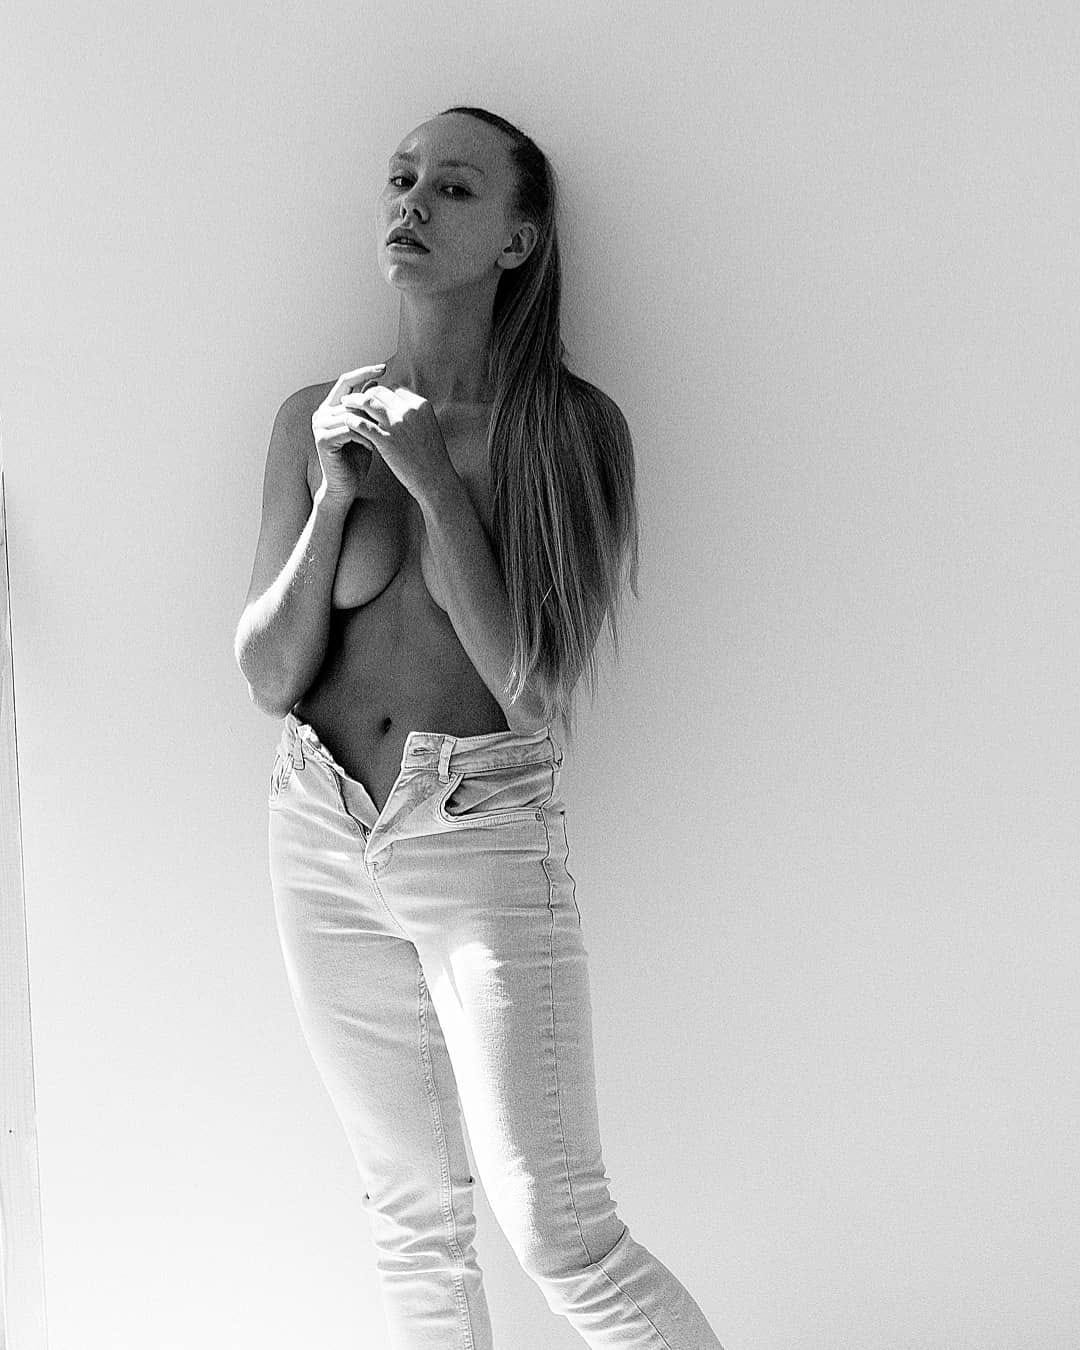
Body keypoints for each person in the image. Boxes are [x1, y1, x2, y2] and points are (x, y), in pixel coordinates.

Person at [234, 105, 722, 1350]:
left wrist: (434, 482)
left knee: (564, 1234)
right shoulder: (310, 418)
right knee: (413, 1219)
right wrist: (335, 500)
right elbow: (270, 673)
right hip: (320, 825)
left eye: (453, 187)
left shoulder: (570, 431)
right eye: (401, 178)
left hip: (477, 831)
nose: (411, 203)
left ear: (517, 240)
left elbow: (532, 690)